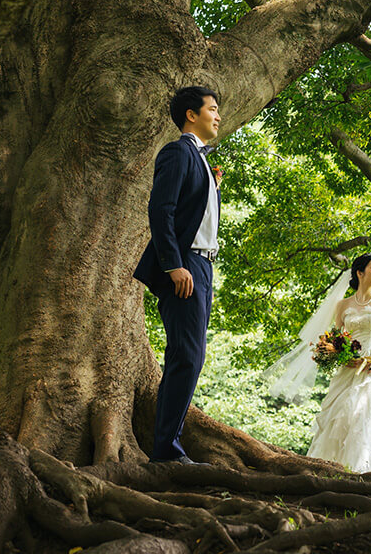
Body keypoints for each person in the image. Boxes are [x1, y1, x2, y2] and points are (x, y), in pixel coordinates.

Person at [133, 85, 222, 465]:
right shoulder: (177, 151)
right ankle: (166, 451)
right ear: (191, 114)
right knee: (186, 356)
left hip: (204, 266)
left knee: (192, 357)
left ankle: (168, 446)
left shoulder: (202, 161)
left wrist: (212, 190)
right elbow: (161, 210)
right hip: (184, 265)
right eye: (212, 109)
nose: (218, 116)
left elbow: (191, 210)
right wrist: (173, 265)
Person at [306, 254, 371, 474]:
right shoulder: (342, 305)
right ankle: (338, 471)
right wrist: (341, 356)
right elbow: (336, 340)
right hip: (350, 369)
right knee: (343, 417)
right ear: (359, 272)